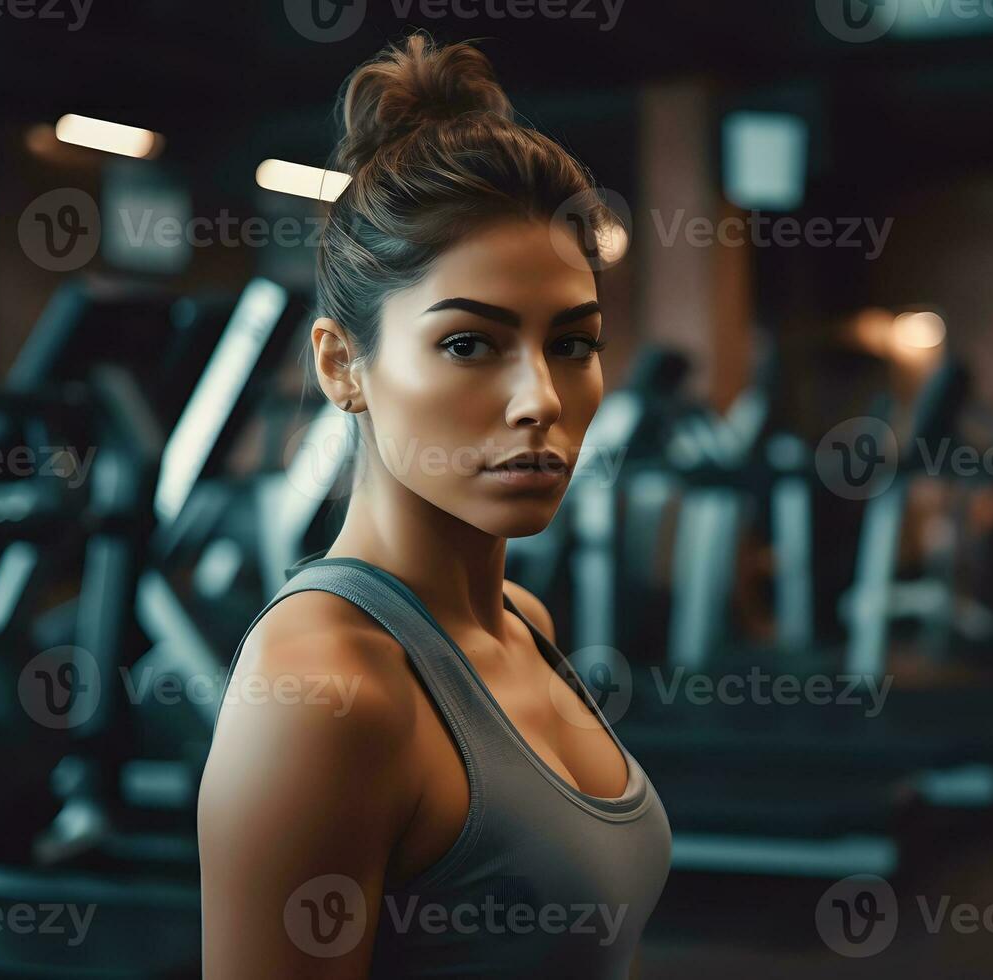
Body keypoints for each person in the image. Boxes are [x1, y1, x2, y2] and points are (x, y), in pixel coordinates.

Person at [197, 31, 671, 979]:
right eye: (469, 344)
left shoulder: (521, 621)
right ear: (343, 366)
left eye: (572, 344)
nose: (540, 396)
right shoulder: (327, 695)